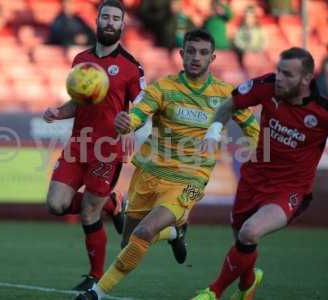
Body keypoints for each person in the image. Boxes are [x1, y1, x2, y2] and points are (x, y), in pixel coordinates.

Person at [76, 29, 260, 300]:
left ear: (213, 57)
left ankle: (96, 293)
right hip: (149, 173)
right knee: (130, 243)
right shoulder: (163, 87)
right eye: (191, 51)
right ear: (181, 54)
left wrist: (256, 158)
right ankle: (174, 232)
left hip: (193, 181)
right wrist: (127, 122)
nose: (196, 57)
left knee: (145, 231)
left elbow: (253, 130)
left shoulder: (226, 95)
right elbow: (138, 114)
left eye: (203, 53)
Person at [191, 47, 328, 300]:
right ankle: (248, 287)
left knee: (249, 232)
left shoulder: (322, 111)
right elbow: (228, 105)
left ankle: (213, 292)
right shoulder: (267, 86)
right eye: (278, 70)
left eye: (287, 74)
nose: (279, 78)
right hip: (254, 179)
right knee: (243, 241)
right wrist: (213, 132)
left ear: (306, 79)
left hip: (290, 189)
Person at [42, 0, 145, 291]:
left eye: (116, 18)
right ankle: (111, 204)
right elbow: (79, 100)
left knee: (89, 212)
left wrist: (132, 123)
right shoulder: (81, 60)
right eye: (106, 17)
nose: (110, 22)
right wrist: (58, 112)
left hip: (107, 150)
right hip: (78, 145)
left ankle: (95, 277)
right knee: (55, 204)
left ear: (123, 26)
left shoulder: (131, 67)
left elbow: (144, 106)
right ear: (97, 21)